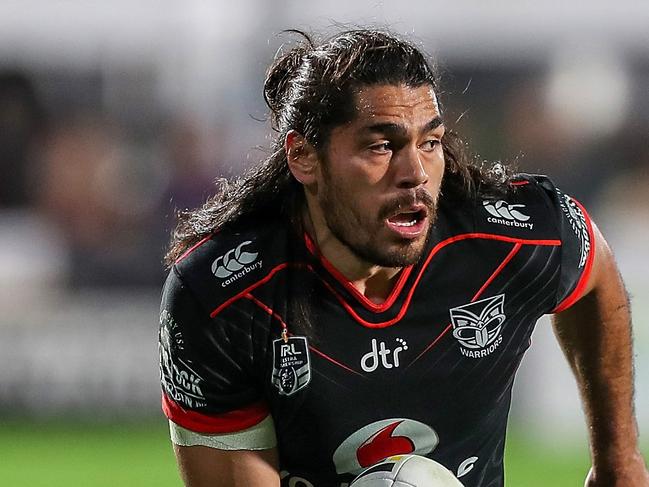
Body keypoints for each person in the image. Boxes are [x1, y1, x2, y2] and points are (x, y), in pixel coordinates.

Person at [158, 29, 649, 487]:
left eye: (429, 142)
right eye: (381, 146)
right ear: (304, 157)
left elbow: (594, 273)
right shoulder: (224, 296)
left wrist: (619, 460)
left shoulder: (510, 240)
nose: (415, 172)